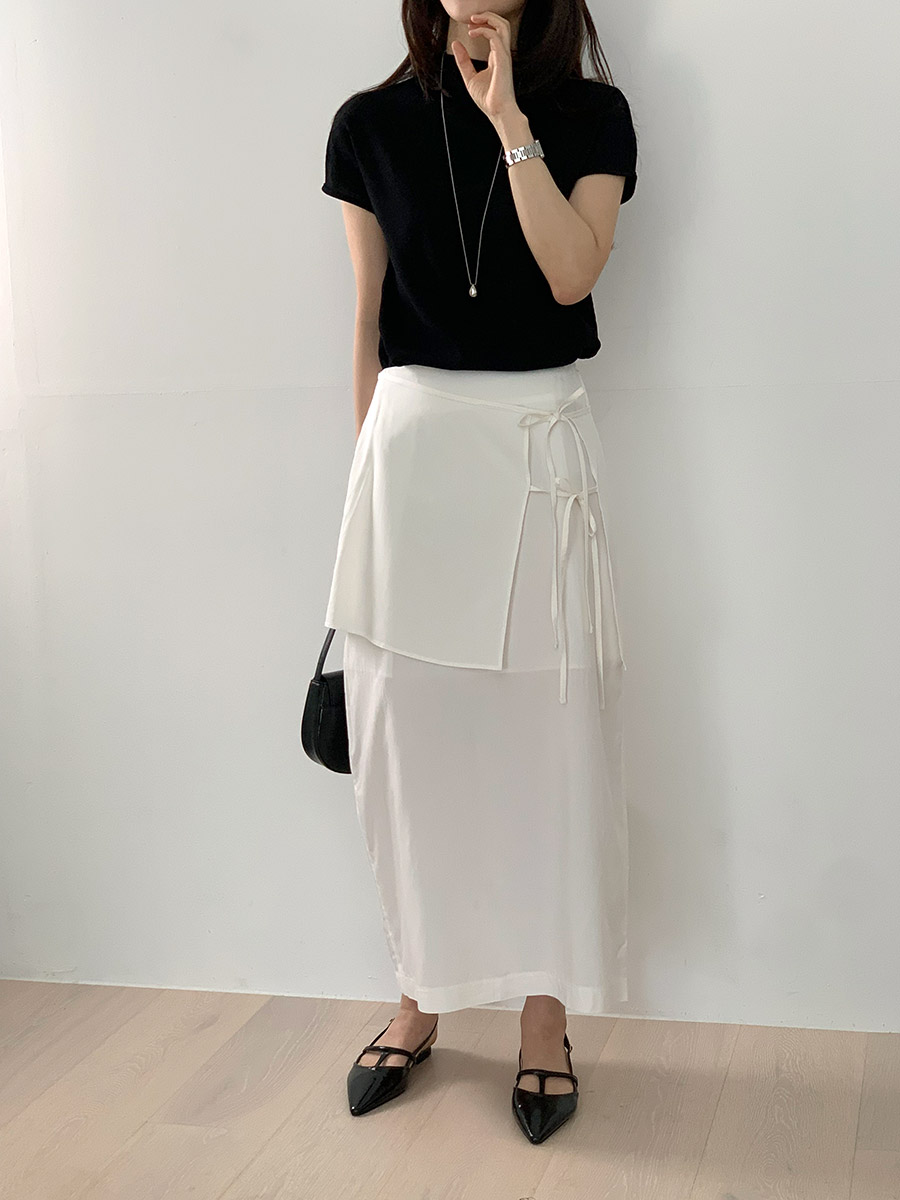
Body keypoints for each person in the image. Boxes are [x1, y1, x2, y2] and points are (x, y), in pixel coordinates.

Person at [320, 1, 638, 1144]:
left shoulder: (591, 114)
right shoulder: (367, 125)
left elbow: (570, 276)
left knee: (549, 739)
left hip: (539, 452)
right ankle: (421, 993)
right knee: (410, 745)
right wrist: (364, 488)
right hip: (411, 457)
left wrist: (509, 124)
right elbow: (367, 319)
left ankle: (545, 1018)